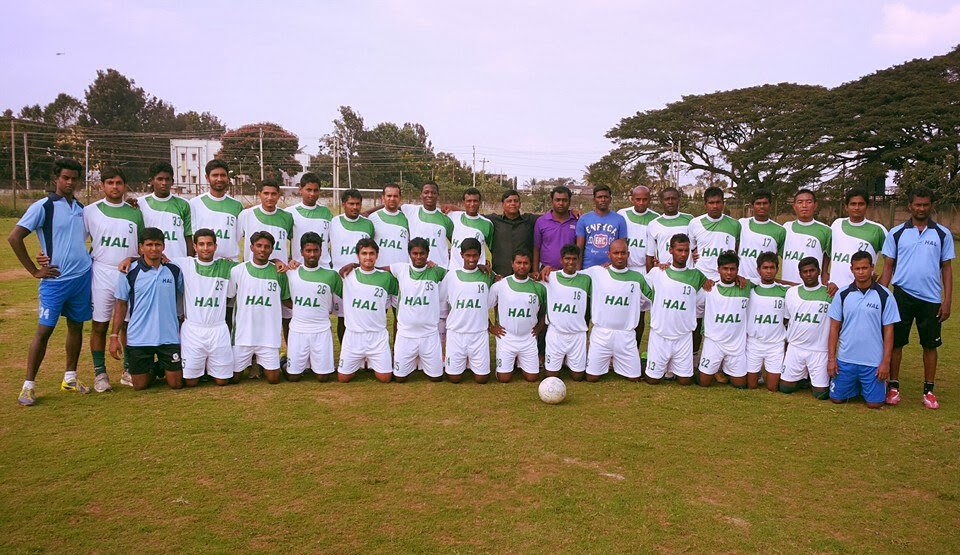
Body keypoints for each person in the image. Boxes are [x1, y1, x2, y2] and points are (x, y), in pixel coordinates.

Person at [9, 159, 93, 405]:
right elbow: (15, 238)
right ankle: (28, 386)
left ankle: (70, 378)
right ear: (56, 178)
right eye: (65, 177)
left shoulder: (81, 208)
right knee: (44, 330)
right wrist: (34, 270)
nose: (70, 182)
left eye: (74, 178)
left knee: (76, 327)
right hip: (55, 281)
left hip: (81, 278)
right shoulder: (43, 206)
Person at [880, 187, 954, 409]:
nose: (921, 209)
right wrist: (881, 296)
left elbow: (947, 268)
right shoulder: (896, 233)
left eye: (925, 205)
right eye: (917, 204)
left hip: (931, 299)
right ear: (909, 206)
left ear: (932, 206)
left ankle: (928, 391)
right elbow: (888, 266)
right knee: (896, 342)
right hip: (902, 295)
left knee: (930, 345)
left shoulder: (942, 234)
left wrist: (947, 300)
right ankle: (894, 387)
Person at [84, 167, 144, 391]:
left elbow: (141, 247)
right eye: (110, 182)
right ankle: (100, 373)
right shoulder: (90, 211)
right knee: (99, 324)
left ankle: (127, 370)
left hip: (128, 273)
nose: (115, 187)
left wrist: (132, 258)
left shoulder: (135, 213)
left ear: (125, 185)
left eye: (119, 182)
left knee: (128, 324)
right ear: (102, 185)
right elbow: (77, 241)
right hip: (101, 272)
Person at [108, 227, 184, 390]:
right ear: (141, 247)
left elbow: (187, 295)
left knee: (176, 384)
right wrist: (114, 336)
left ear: (163, 246)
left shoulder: (174, 270)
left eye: (158, 244)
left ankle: (161, 366)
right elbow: (121, 304)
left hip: (168, 336)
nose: (154, 248)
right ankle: (154, 368)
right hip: (139, 337)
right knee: (140, 386)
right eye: (149, 245)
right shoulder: (128, 271)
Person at [827, 251, 900, 409]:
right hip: (846, 360)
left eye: (865, 268)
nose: (861, 272)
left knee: (874, 404)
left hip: (872, 362)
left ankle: (868, 385)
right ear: (852, 269)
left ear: (872, 267)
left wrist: (885, 362)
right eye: (857, 268)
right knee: (836, 399)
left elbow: (889, 331)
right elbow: (834, 328)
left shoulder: (885, 295)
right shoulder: (842, 294)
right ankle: (857, 384)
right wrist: (832, 360)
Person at [167, 229, 237, 387]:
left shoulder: (227, 266)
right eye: (201, 244)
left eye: (209, 244)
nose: (205, 248)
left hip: (218, 329)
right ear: (194, 246)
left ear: (215, 246)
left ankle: (209, 367)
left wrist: (277, 261)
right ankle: (201, 368)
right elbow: (158, 258)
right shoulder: (184, 264)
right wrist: (130, 259)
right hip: (193, 329)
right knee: (191, 382)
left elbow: (254, 266)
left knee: (222, 381)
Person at [582, 239, 653, 382]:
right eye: (616, 253)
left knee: (634, 378)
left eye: (623, 253)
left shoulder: (637, 278)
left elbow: (653, 299)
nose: (619, 256)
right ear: (609, 254)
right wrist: (550, 272)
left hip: (626, 336)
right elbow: (572, 276)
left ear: (628, 254)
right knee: (591, 378)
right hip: (601, 334)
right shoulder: (596, 273)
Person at [228, 231, 291, 384]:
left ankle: (282, 361)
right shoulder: (237, 271)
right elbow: (229, 297)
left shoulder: (279, 272)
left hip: (268, 337)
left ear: (272, 249)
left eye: (267, 247)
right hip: (243, 336)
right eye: (259, 246)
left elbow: (287, 301)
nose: (262, 249)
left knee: (273, 379)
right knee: (234, 378)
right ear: (251, 247)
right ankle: (252, 363)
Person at [643, 233, 705, 386]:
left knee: (685, 381)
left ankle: (673, 367)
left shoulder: (697, 275)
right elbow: (642, 289)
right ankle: (645, 361)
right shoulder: (657, 272)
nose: (683, 254)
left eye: (686, 250)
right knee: (652, 380)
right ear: (671, 250)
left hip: (683, 336)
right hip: (660, 334)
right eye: (679, 250)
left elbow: (713, 288)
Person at [337, 238, 398, 383]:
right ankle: (361, 361)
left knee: (385, 378)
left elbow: (396, 302)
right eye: (364, 253)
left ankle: (369, 361)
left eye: (372, 253)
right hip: (353, 335)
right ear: (358, 255)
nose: (368, 257)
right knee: (343, 379)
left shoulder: (387, 278)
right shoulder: (347, 275)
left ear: (377, 255)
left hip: (377, 336)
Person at [387, 238, 446, 382]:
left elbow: (460, 275)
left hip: (429, 334)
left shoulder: (436, 271)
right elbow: (377, 269)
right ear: (409, 254)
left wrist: (482, 268)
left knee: (437, 378)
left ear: (428, 254)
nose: (418, 257)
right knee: (399, 379)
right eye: (415, 253)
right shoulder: (401, 268)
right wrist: (356, 265)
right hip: (406, 334)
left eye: (422, 253)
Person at [286, 232, 342, 381]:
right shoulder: (291, 273)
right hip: (298, 329)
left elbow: (346, 295)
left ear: (321, 251)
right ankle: (287, 361)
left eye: (315, 250)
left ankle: (314, 363)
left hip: (321, 329)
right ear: (301, 252)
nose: (312, 254)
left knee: (323, 377)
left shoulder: (331, 275)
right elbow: (285, 299)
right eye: (308, 250)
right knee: (293, 377)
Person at [442, 238, 495, 383]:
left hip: (479, 333)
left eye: (475, 255)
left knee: (482, 379)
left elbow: (502, 287)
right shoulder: (451, 276)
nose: (471, 259)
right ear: (461, 255)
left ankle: (470, 361)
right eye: (468, 255)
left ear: (480, 255)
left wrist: (492, 325)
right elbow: (442, 300)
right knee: (454, 378)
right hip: (456, 333)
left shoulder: (487, 275)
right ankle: (463, 361)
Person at [780, 257, 833, 399]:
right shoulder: (791, 293)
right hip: (796, 348)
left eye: (812, 270)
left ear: (819, 271)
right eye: (805, 272)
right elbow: (787, 320)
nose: (809, 274)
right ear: (800, 274)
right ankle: (803, 377)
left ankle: (811, 377)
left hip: (819, 350)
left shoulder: (830, 293)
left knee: (821, 394)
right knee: (785, 388)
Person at [698, 251, 752, 388]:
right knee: (704, 383)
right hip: (714, 343)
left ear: (737, 270)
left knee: (740, 385)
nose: (729, 273)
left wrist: (796, 285)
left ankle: (724, 370)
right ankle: (714, 368)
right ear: (718, 269)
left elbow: (769, 283)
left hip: (736, 346)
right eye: (725, 269)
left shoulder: (746, 286)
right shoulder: (709, 288)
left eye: (732, 269)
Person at [489, 251, 546, 382]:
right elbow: (482, 308)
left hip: (528, 338)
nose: (522, 266)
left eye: (525, 263)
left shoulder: (539, 287)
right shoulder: (500, 285)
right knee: (504, 378)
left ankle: (520, 361)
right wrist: (490, 327)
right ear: (512, 264)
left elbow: (549, 311)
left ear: (530, 265)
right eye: (518, 263)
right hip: (506, 337)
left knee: (532, 378)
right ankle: (510, 362)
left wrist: (539, 328)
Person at [540, 244, 591, 380]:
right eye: (567, 258)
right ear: (561, 260)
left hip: (577, 334)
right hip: (556, 334)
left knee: (578, 377)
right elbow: (529, 279)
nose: (571, 262)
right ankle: (559, 360)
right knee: (551, 376)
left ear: (578, 260)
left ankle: (569, 360)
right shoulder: (549, 276)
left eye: (574, 259)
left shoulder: (586, 279)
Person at [617, 185, 659, 351]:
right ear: (632, 199)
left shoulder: (656, 218)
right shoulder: (622, 214)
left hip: (644, 270)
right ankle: (619, 350)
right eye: (638, 199)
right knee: (622, 311)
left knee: (641, 314)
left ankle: (635, 349)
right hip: (625, 269)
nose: (641, 203)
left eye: (645, 199)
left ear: (650, 199)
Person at [746, 252, 789, 392]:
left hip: (775, 345)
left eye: (772, 267)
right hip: (754, 343)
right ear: (758, 270)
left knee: (772, 387)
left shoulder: (785, 291)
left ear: (777, 269)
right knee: (751, 385)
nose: (769, 271)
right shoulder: (750, 289)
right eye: (765, 268)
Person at [828, 189, 886, 290]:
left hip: (863, 290)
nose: (857, 208)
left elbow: (891, 262)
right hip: (834, 290)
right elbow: (827, 253)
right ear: (846, 207)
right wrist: (826, 275)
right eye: (853, 204)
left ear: (866, 206)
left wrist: (880, 286)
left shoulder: (878, 230)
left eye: (861, 204)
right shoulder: (837, 224)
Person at [189, 160, 243, 261]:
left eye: (223, 175)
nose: (219, 179)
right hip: (203, 262)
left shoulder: (237, 205)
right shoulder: (195, 203)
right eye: (215, 175)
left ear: (227, 177)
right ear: (207, 177)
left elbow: (238, 236)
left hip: (229, 262)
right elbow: (192, 236)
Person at [138, 161, 194, 258]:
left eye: (167, 179)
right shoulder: (140, 203)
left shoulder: (184, 204)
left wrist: (189, 261)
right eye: (160, 179)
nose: (164, 183)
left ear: (172, 181)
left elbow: (188, 237)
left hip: (178, 261)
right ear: (151, 181)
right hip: (151, 262)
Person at [689, 186, 740, 282]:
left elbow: (738, 250)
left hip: (726, 278)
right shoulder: (695, 223)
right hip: (701, 278)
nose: (715, 206)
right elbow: (691, 249)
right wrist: (692, 254)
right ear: (705, 204)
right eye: (711, 203)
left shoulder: (735, 224)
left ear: (723, 203)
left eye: (718, 202)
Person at [781, 189, 831, 287]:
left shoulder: (826, 230)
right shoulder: (786, 228)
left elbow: (828, 253)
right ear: (794, 206)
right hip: (787, 284)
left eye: (809, 202)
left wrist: (825, 271)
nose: (804, 205)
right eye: (800, 202)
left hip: (813, 286)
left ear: (815, 205)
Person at [399, 181, 454, 269]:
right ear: (421, 195)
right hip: (416, 269)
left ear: (438, 195)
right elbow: (390, 207)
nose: (430, 195)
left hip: (439, 268)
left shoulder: (445, 217)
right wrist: (372, 211)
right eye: (426, 192)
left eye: (433, 193)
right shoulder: (410, 210)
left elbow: (455, 243)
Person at [238, 178, 294, 263]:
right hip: (253, 268)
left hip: (278, 268)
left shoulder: (287, 216)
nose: (270, 197)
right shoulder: (246, 214)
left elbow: (294, 242)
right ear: (259, 194)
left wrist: (291, 259)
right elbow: (235, 240)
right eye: (266, 193)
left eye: (273, 194)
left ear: (278, 195)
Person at [286, 172, 334, 268]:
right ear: (300, 189)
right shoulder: (289, 213)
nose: (312, 194)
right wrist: (288, 259)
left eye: (316, 190)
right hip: (299, 268)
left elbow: (330, 238)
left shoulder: (326, 213)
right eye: (309, 190)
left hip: (324, 267)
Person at [738, 190, 785, 285]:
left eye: (765, 203)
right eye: (758, 203)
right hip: (742, 283)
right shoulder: (741, 224)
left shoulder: (780, 230)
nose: (762, 206)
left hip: (764, 284)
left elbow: (784, 258)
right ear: (752, 206)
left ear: (770, 205)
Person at [486, 190, 537, 277]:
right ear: (503, 204)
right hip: (500, 275)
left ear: (520, 204)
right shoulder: (493, 220)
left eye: (516, 201)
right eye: (509, 201)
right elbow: (472, 217)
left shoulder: (530, 220)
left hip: (525, 275)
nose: (513, 203)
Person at [576, 184, 628, 269]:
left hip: (611, 268)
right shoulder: (584, 219)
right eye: (599, 197)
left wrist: (613, 265)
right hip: (588, 268)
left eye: (606, 197)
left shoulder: (620, 219)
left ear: (610, 199)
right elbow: (579, 248)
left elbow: (622, 248)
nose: (603, 200)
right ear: (594, 200)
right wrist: (578, 271)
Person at [533, 185, 578, 275]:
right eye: (557, 200)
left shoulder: (577, 221)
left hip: (570, 271)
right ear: (552, 201)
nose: (561, 203)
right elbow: (536, 248)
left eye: (564, 200)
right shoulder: (541, 221)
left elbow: (579, 247)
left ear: (569, 202)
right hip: (546, 271)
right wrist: (535, 270)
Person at [646, 187, 693, 271]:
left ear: (678, 200)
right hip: (664, 272)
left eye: (673, 198)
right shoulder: (653, 224)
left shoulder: (690, 220)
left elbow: (697, 247)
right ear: (661, 201)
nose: (670, 202)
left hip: (687, 272)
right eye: (667, 199)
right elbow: (650, 256)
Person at [330, 188, 375, 272]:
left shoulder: (368, 224)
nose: (355, 207)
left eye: (358, 204)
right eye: (351, 204)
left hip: (360, 273)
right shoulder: (334, 222)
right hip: (338, 272)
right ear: (343, 204)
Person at [448, 188, 494, 270]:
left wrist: (487, 262)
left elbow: (492, 248)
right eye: (469, 201)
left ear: (479, 202)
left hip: (477, 271)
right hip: (454, 270)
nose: (472, 204)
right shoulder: (453, 217)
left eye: (475, 201)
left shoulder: (487, 224)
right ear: (464, 202)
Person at [369, 183, 410, 267]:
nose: (392, 199)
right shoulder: (373, 218)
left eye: (395, 196)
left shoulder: (407, 218)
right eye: (389, 196)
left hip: (401, 269)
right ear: (383, 198)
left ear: (400, 198)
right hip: (379, 269)